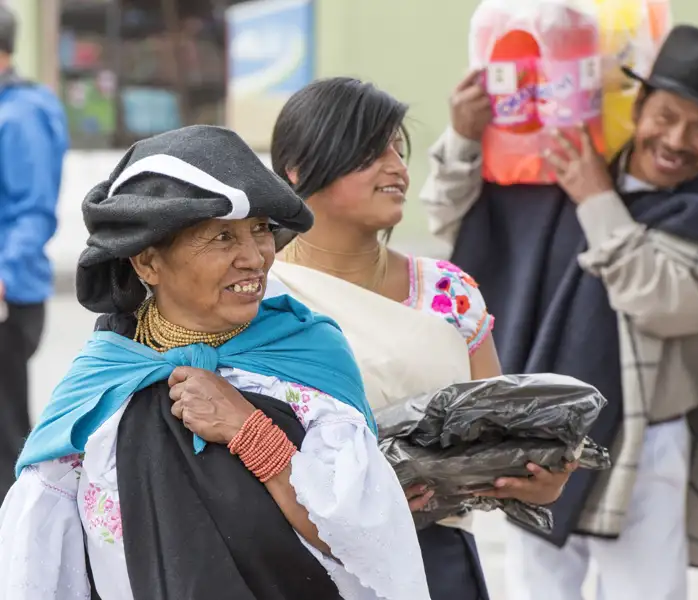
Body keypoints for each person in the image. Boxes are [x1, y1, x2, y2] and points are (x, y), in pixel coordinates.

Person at [420, 24, 698, 600]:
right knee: (537, 588)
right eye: (666, 115)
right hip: (541, 431)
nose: (677, 138)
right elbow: (456, 225)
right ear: (638, 106)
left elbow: (663, 303)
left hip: (647, 444)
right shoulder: (562, 169)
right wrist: (465, 138)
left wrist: (597, 200)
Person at [0, 125, 433, 600]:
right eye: (222, 238)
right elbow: (37, 568)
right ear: (147, 263)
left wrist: (251, 431)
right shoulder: (102, 382)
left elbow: (370, 543)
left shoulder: (307, 353)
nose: (254, 257)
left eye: (261, 231)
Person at [267, 77, 574, 600]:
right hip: (299, 559)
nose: (397, 168)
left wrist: (538, 477)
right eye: (370, 151)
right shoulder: (257, 293)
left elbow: (497, 439)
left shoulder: (447, 292)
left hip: (436, 562)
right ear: (296, 171)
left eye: (397, 149)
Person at [0, 5, 68, 498]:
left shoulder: (21, 115)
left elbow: (33, 210)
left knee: (5, 428)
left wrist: (4, 271)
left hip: (8, 294)